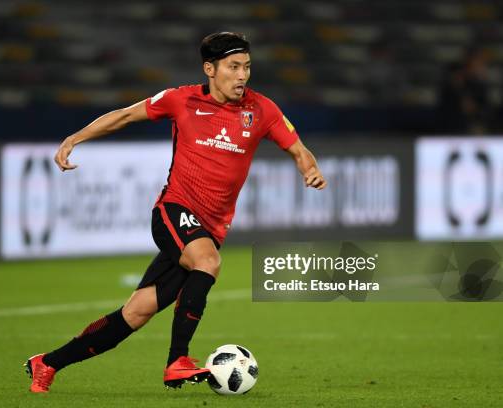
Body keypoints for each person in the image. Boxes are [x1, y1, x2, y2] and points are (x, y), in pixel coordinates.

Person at [25, 32, 327, 393]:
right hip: (174, 211)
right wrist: (75, 138)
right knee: (208, 263)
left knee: (135, 314)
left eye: (246, 66)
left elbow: (298, 148)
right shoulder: (180, 100)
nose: (242, 75)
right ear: (209, 69)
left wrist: (309, 168)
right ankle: (177, 361)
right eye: (233, 67)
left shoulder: (261, 109)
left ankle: (47, 363)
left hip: (211, 228)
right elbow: (124, 116)